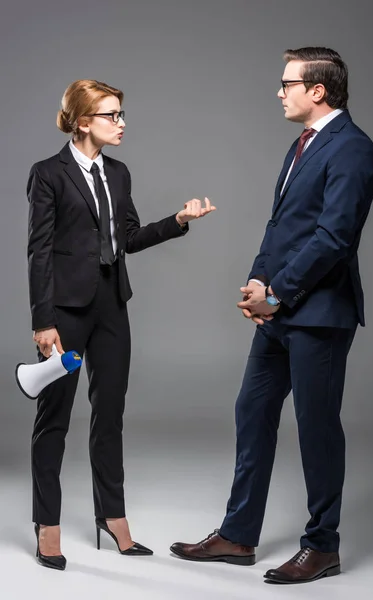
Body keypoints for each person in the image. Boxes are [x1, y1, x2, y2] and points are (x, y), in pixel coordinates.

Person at [170, 47, 373, 585]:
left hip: (319, 315)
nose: (279, 91)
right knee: (252, 412)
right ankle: (239, 535)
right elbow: (281, 224)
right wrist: (259, 280)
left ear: (319, 90)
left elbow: (335, 237)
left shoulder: (353, 148)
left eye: (288, 83)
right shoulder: (300, 145)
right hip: (280, 311)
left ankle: (323, 546)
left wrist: (279, 293)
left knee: (316, 428)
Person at [28, 79, 216, 570]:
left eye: (121, 114)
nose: (122, 123)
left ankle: (112, 516)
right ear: (83, 121)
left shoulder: (120, 173)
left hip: (112, 307)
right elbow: (39, 252)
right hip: (65, 313)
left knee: (109, 416)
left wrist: (178, 219)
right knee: (54, 419)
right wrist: (42, 320)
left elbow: (129, 239)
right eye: (112, 115)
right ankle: (47, 524)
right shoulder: (48, 174)